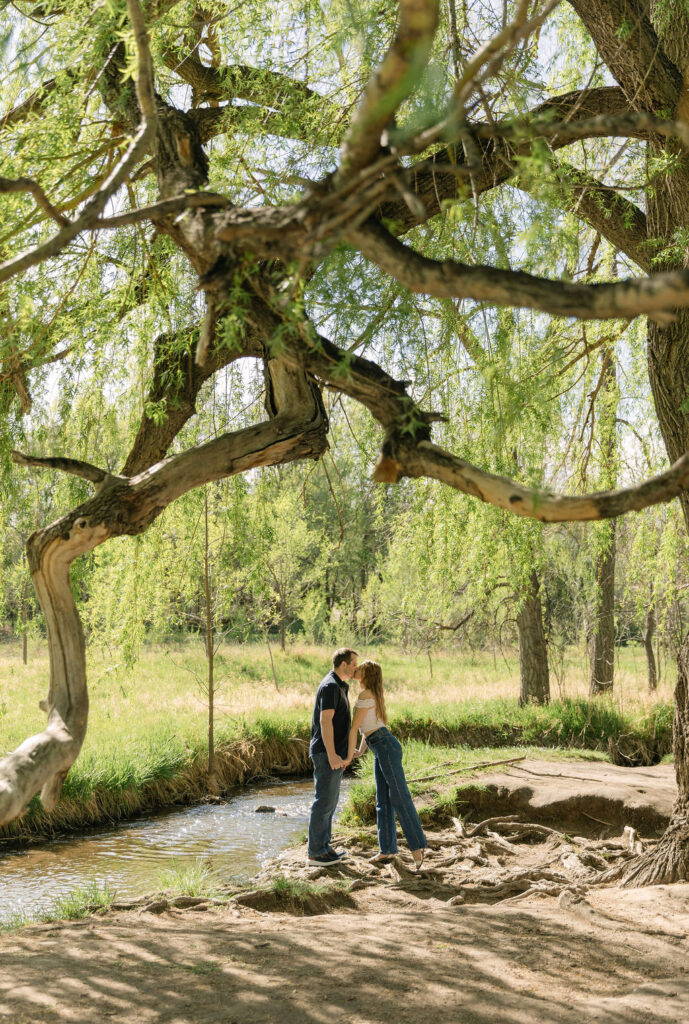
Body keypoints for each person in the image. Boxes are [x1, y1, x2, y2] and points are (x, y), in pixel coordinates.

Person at [346, 659, 427, 869]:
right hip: (379, 746)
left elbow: (355, 728)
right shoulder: (372, 695)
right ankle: (387, 850)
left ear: (366, 674)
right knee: (382, 800)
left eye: (360, 668)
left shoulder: (366, 695)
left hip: (385, 746)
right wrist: (361, 751)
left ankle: (417, 846)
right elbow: (370, 727)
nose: (356, 670)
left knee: (399, 796)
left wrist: (347, 755)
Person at [307, 647, 358, 866]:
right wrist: (332, 755)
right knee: (323, 802)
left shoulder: (339, 686)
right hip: (326, 754)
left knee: (330, 802)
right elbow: (325, 721)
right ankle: (315, 853)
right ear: (343, 664)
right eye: (354, 663)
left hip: (335, 754)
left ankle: (324, 847)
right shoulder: (330, 686)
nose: (357, 668)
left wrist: (346, 752)